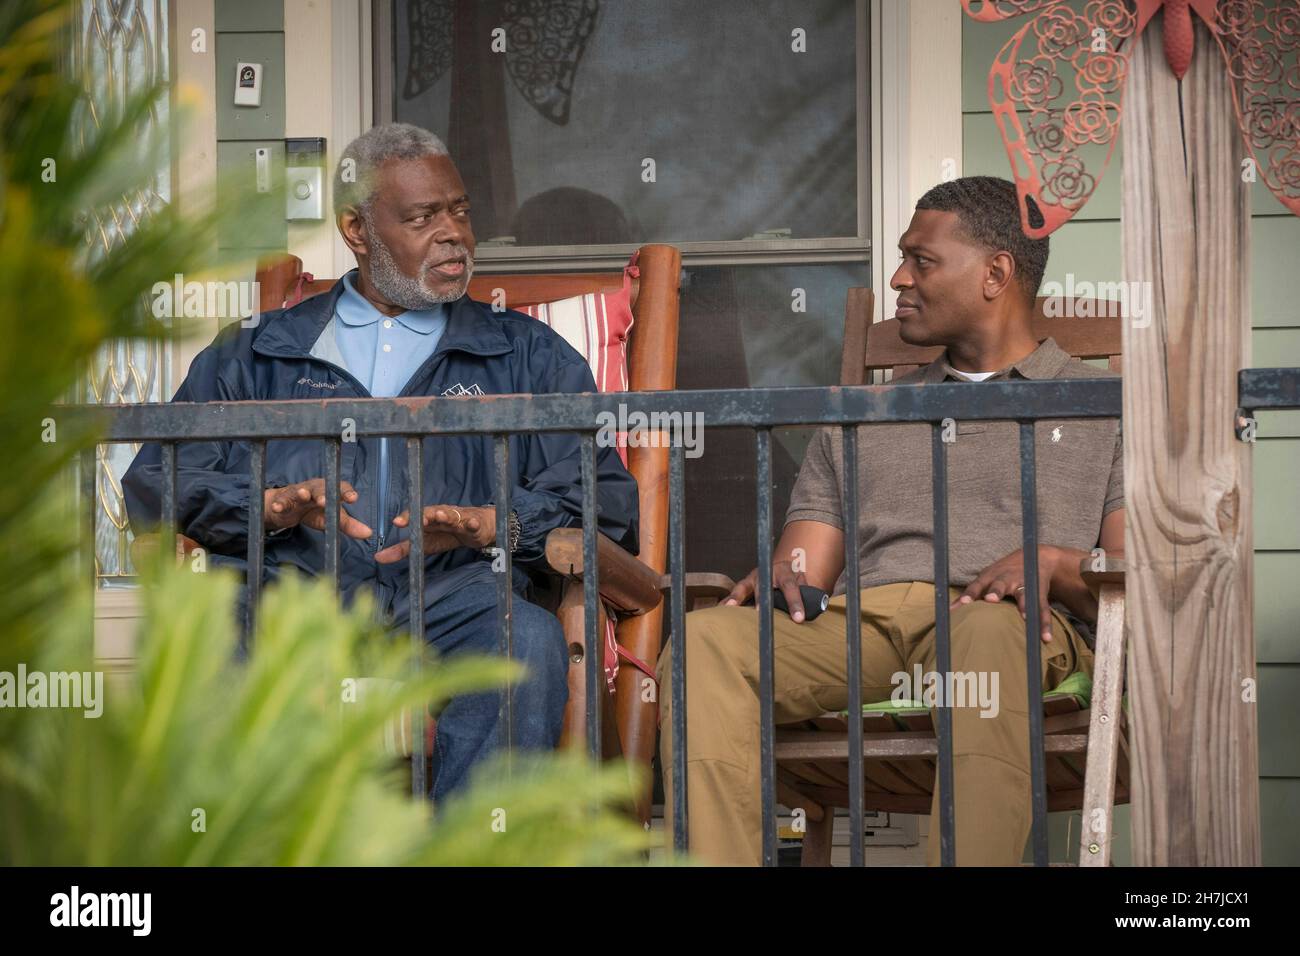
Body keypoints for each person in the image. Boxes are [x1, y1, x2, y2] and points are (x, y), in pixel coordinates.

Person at [124, 123, 639, 802]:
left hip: (460, 596)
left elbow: (604, 504)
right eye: (423, 216)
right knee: (217, 626)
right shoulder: (256, 354)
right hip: (293, 598)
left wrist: (495, 525)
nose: (454, 233)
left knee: (524, 644)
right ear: (357, 230)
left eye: (459, 210)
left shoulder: (527, 356)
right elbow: (157, 482)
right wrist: (270, 508)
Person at [658, 176, 1123, 865]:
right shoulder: (865, 413)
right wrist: (786, 577)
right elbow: (805, 568)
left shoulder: (1104, 407)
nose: (901, 276)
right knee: (704, 646)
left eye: (923, 261)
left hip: (1008, 626)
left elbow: (1132, 585)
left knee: (988, 636)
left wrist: (1055, 564)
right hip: (864, 626)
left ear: (997, 274)